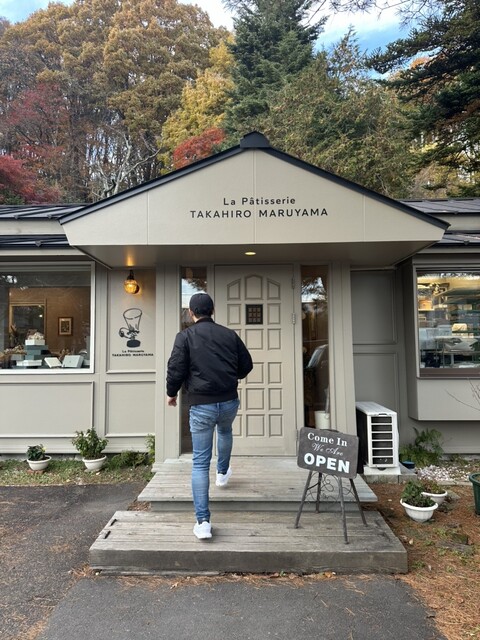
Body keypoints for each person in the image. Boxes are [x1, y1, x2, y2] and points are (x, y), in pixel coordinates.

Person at [166, 292, 253, 540]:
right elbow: (246, 365)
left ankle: (203, 522)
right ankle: (222, 474)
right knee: (225, 431)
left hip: (201, 405)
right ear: (212, 311)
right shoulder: (229, 335)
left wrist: (171, 393)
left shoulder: (184, 337)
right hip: (228, 401)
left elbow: (175, 369)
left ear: (191, 313)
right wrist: (230, 376)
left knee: (200, 463)